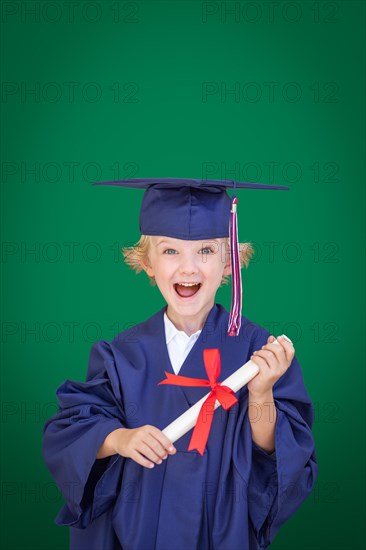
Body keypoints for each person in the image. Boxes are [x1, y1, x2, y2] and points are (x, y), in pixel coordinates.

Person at [43, 178, 318, 550]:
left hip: (219, 533)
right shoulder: (122, 354)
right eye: (170, 251)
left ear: (229, 263)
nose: (188, 269)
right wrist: (121, 438)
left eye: (205, 250)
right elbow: (74, 430)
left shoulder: (259, 353)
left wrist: (261, 392)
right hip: (133, 533)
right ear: (147, 263)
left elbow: (278, 457)